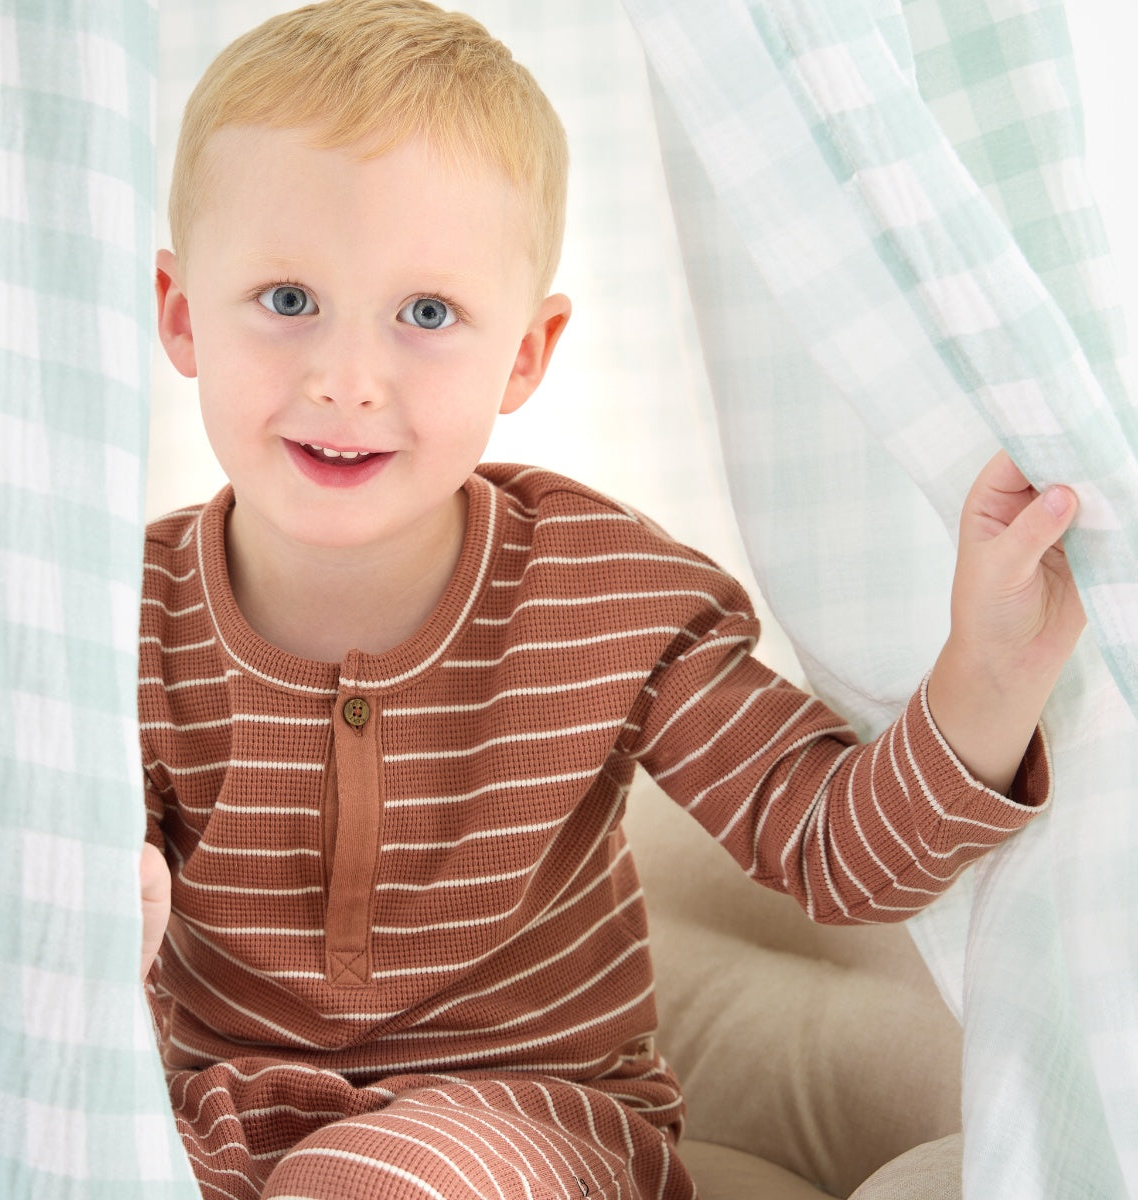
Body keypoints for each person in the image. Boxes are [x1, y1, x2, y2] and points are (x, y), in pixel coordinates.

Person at [138, 1, 1085, 1196]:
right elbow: (56, 909)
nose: (345, 380)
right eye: (287, 301)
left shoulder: (605, 588)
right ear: (182, 315)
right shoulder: (126, 618)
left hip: (528, 1128)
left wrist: (986, 678)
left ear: (525, 355)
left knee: (368, 1180)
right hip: (207, 1125)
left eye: (426, 315)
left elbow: (835, 850)